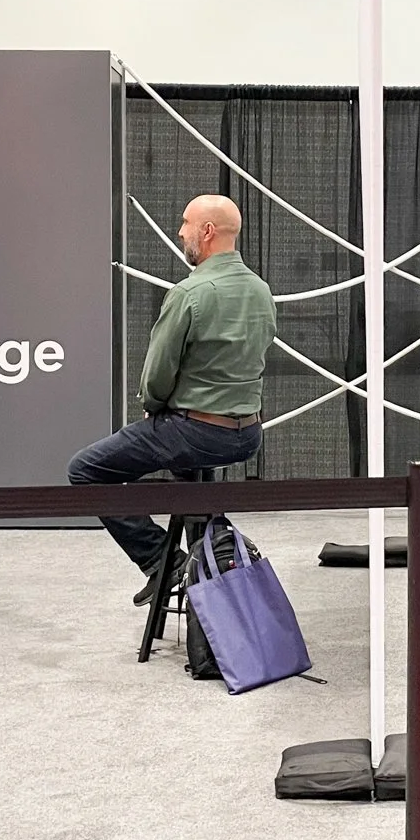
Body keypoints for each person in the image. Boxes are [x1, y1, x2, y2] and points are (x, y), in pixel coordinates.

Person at [68, 194, 277, 605]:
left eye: (185, 223)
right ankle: (214, 565)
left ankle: (164, 562)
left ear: (207, 232)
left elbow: (157, 377)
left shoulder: (189, 293)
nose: (180, 231)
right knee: (190, 475)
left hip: (194, 432)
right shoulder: (261, 289)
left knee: (85, 471)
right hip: (247, 434)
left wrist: (154, 402)